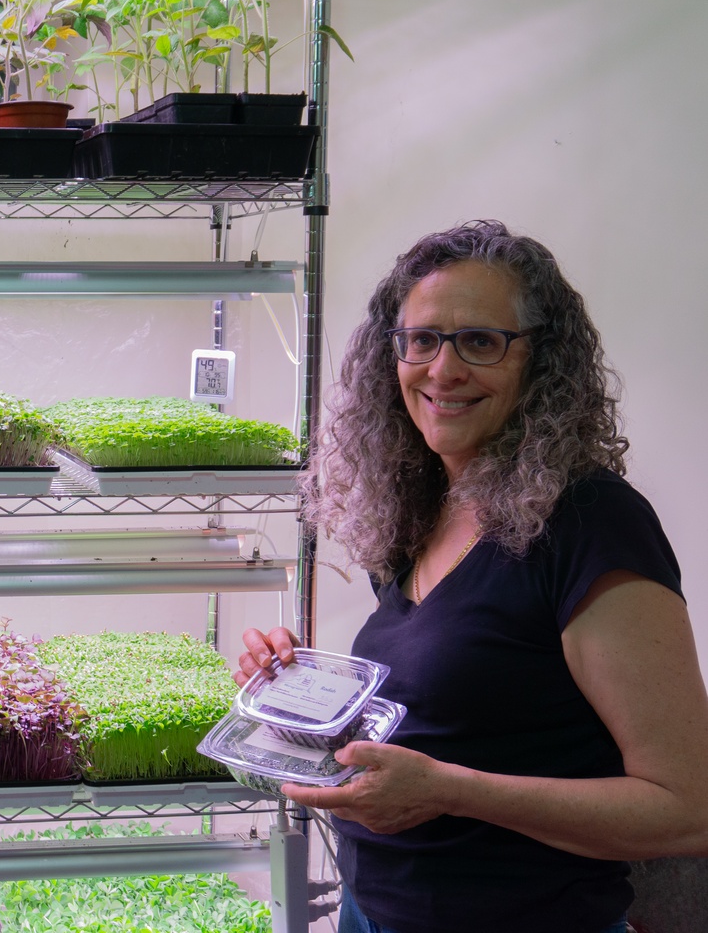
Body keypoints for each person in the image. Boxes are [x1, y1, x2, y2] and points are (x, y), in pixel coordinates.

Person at [236, 221, 708, 933]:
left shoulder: (594, 522)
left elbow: (685, 809)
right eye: (422, 339)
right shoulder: (422, 508)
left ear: (541, 361)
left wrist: (449, 792)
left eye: (480, 342)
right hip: (372, 911)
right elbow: (463, 708)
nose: (443, 370)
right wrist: (303, 689)